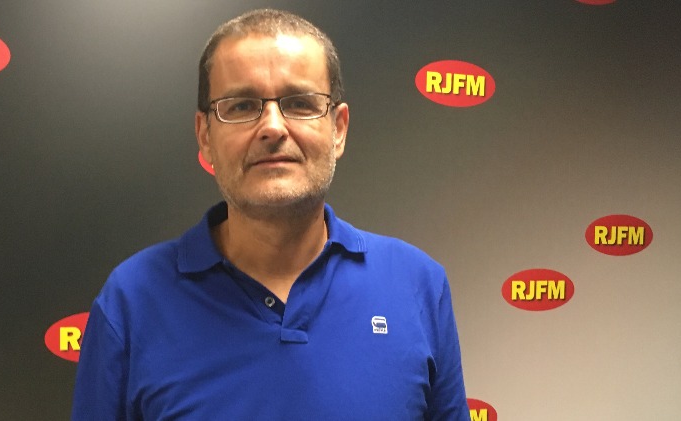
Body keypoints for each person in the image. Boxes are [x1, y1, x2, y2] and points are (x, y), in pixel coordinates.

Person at [72, 8, 469, 420]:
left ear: (338, 129)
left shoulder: (418, 286)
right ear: (205, 136)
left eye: (300, 103)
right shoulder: (131, 301)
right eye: (242, 105)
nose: (273, 127)